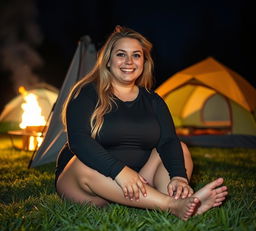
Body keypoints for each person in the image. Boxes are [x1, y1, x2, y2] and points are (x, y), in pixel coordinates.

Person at [55, 25, 228, 221]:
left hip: (138, 182)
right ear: (108, 61)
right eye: (121, 54)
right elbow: (79, 141)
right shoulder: (86, 93)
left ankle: (180, 200)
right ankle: (171, 205)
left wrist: (178, 176)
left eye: (136, 55)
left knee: (179, 147)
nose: (129, 61)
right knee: (81, 164)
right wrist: (119, 172)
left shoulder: (153, 100)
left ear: (144, 62)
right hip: (87, 185)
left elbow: (168, 141)